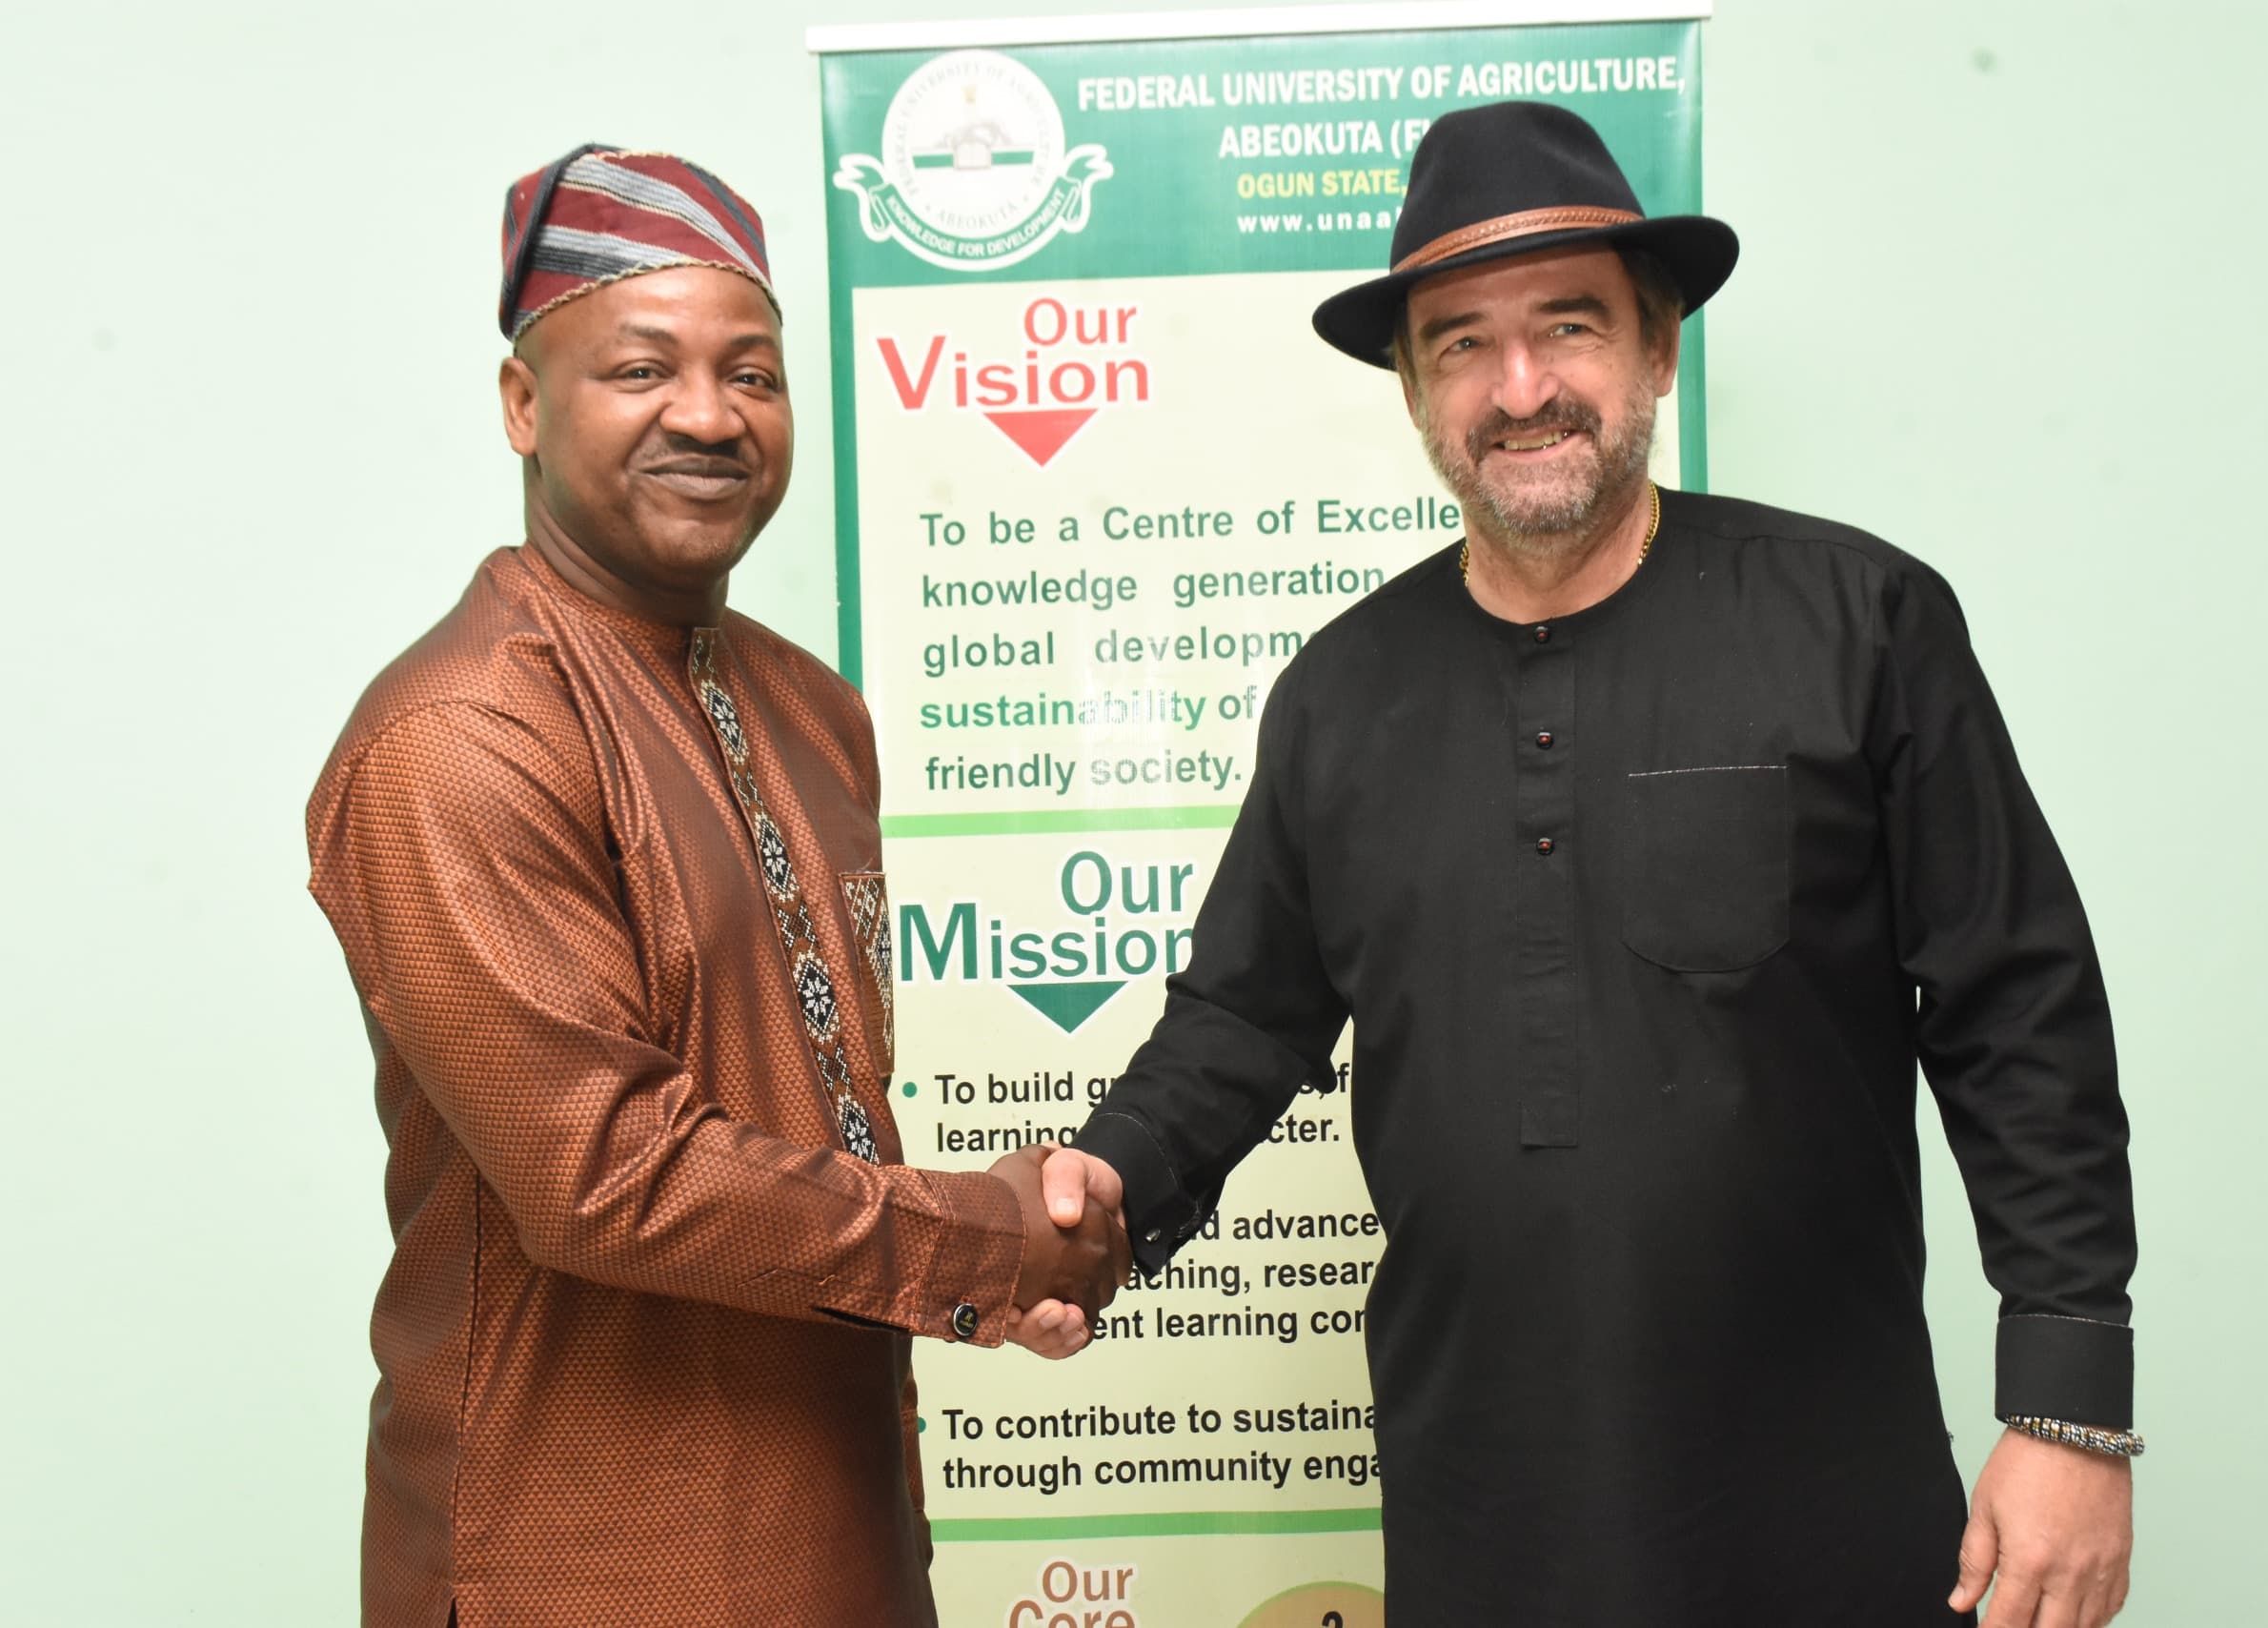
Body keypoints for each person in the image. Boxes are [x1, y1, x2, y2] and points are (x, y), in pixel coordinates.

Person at [1043, 102, 2139, 1627]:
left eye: (1569, 325)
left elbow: (2018, 1010)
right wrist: (1104, 1186)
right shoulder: (1341, 695)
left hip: (1826, 1487)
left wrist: (2071, 1405)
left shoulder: (1862, 623)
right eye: (1462, 345)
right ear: (1415, 391)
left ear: (1658, 346)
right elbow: (1244, 1014)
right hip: (1479, 1506)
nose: (1523, 388)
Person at [305, 145, 1126, 1628]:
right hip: (579, 1558)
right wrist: (985, 1245)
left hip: (844, 1530)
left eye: (753, 375)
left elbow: (825, 1116)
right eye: (642, 369)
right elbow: (605, 1174)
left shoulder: (814, 711)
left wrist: (1009, 1248)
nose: (707, 414)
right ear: (523, 405)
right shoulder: (462, 733)